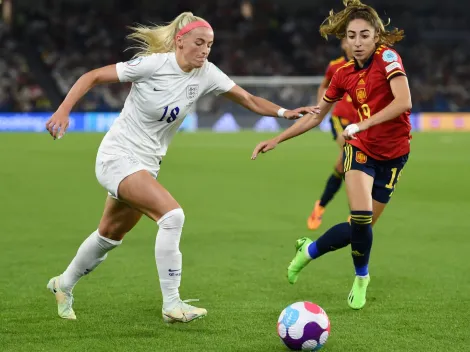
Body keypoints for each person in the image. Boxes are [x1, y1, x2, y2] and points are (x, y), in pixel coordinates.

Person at [45, 12, 319, 323]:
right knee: (172, 216)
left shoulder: (206, 73)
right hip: (117, 156)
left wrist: (285, 112)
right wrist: (64, 110)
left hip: (147, 165)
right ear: (180, 41)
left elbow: (249, 99)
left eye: (210, 45)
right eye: (199, 43)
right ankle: (172, 304)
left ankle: (63, 285)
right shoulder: (153, 65)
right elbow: (91, 76)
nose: (205, 50)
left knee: (109, 235)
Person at [251, 0, 411, 310]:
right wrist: (278, 139)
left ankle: (308, 251)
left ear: (377, 35)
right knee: (362, 217)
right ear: (345, 39)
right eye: (352, 36)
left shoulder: (388, 57)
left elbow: (403, 101)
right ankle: (361, 277)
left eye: (364, 35)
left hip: (395, 155)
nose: (358, 42)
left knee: (359, 229)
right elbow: (314, 116)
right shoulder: (342, 74)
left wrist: (362, 123)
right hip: (361, 149)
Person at [307, 38, 356, 231]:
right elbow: (323, 85)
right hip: (340, 120)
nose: (353, 42)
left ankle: (320, 206)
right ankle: (356, 211)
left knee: (342, 166)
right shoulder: (335, 66)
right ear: (343, 44)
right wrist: (320, 107)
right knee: (353, 156)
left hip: (361, 122)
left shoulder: (368, 64)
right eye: (348, 38)